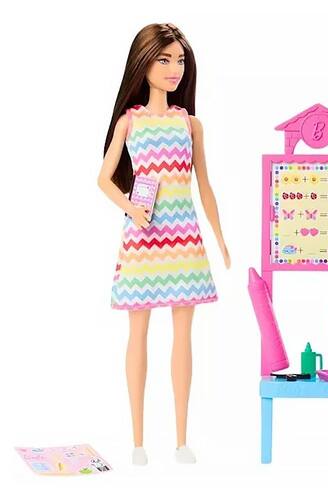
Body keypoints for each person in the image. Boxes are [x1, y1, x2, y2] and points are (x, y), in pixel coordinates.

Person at [97, 23, 231, 465]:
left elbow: (204, 186)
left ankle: (181, 440)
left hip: (185, 239)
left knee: (183, 337)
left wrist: (220, 238)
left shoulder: (190, 124)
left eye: (180, 60)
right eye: (164, 59)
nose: (175, 69)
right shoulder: (130, 121)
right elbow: (103, 178)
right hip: (143, 237)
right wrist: (131, 208)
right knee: (138, 335)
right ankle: (137, 442)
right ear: (143, 62)